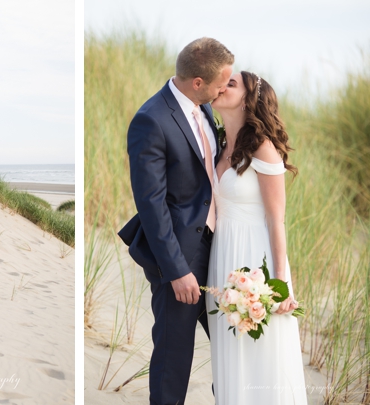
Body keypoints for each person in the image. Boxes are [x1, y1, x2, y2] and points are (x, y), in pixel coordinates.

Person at [118, 37, 233, 404]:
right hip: (180, 256)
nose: (224, 89)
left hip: (218, 248)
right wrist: (177, 270)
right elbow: (151, 204)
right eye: (221, 83)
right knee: (174, 354)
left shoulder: (205, 109)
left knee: (232, 347)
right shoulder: (150, 119)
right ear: (198, 81)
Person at [205, 71, 306, 403]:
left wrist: (280, 284)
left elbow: (277, 219)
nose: (221, 86)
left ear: (249, 101)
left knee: (261, 355)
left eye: (231, 84)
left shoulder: (263, 149)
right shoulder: (220, 145)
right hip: (223, 258)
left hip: (256, 261)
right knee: (230, 353)